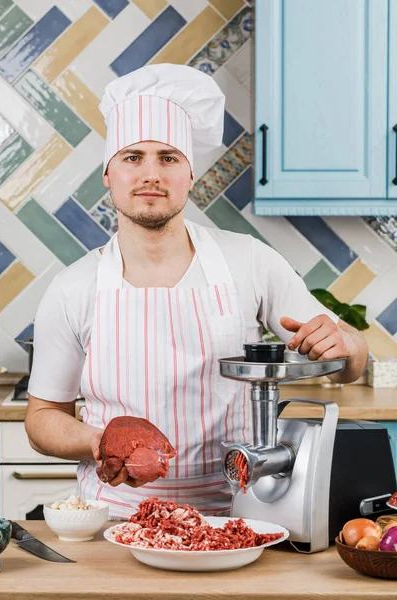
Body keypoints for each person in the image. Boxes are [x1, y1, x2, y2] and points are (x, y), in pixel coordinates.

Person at [25, 63, 368, 519]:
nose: (151, 174)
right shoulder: (73, 288)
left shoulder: (249, 261)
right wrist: (96, 441)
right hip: (116, 519)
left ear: (190, 176)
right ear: (108, 175)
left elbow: (349, 363)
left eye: (168, 158)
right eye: (133, 157)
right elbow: (42, 416)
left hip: (241, 514)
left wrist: (345, 345)